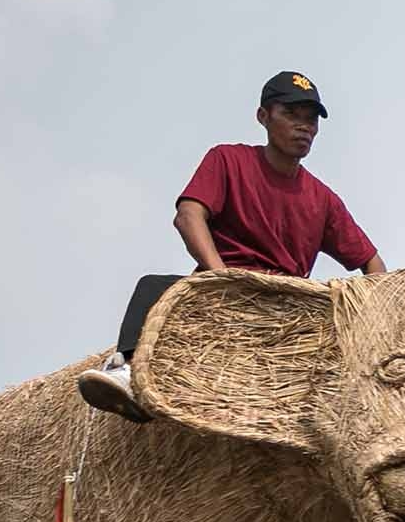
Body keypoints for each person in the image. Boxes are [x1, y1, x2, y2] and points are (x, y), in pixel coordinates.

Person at [79, 71, 388, 422]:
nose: (304, 127)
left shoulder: (324, 199)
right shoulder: (228, 160)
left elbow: (372, 263)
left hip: (287, 306)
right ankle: (130, 373)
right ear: (263, 117)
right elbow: (189, 215)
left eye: (311, 120)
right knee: (153, 286)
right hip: (222, 291)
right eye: (291, 115)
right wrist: (221, 276)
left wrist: (362, 319)